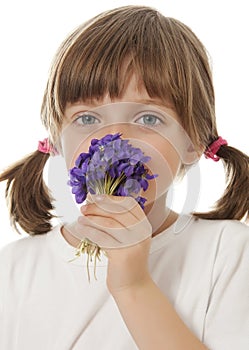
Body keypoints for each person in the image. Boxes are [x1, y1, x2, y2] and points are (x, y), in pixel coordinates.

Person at [0, 5, 248, 350]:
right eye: (87, 119)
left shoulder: (229, 251)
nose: (114, 138)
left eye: (148, 119)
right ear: (57, 141)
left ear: (193, 142)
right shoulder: (13, 270)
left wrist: (133, 285)